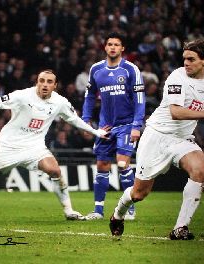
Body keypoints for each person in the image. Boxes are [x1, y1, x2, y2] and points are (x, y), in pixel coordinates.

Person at [109, 39, 204, 240]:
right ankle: (118, 213)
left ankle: (180, 228)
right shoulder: (176, 77)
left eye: (191, 59)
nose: (186, 63)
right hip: (157, 135)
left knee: (200, 169)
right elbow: (176, 112)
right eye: (184, 58)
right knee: (140, 193)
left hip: (182, 139)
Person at [0, 70, 110, 220]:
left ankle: (69, 210)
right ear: (37, 83)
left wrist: (96, 132)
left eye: (49, 82)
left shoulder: (60, 102)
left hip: (35, 147)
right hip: (9, 147)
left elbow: (75, 120)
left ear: (55, 86)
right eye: (42, 81)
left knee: (55, 171)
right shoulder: (22, 96)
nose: (45, 84)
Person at [81, 32, 145, 220]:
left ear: (122, 48)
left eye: (117, 44)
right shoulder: (96, 69)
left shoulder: (130, 69)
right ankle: (98, 211)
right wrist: (86, 120)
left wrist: (137, 125)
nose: (113, 47)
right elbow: (90, 95)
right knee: (102, 165)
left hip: (126, 124)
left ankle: (130, 209)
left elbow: (139, 99)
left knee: (123, 163)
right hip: (105, 126)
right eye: (110, 44)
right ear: (105, 47)